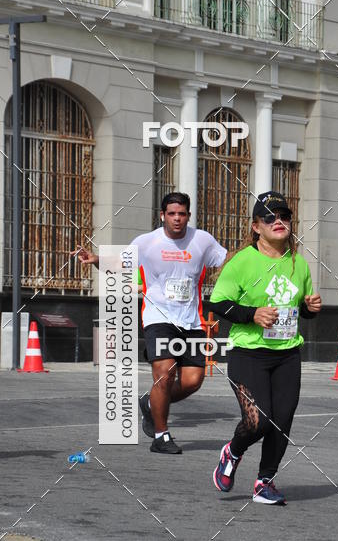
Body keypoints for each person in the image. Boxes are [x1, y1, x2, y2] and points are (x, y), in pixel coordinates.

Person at [73, 192, 227, 453]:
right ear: (162, 215)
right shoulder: (147, 242)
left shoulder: (202, 240)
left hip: (191, 322)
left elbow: (226, 262)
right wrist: (95, 259)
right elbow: (121, 264)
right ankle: (161, 435)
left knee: (192, 382)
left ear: (188, 215)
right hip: (158, 318)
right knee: (165, 375)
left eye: (182, 214)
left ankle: (148, 403)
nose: (177, 219)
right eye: (172, 214)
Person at [209, 192, 321, 505]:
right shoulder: (243, 261)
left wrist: (311, 308)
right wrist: (252, 314)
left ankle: (264, 482)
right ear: (257, 226)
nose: (279, 221)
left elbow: (300, 307)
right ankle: (232, 451)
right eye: (270, 217)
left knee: (282, 419)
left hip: (287, 354)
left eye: (284, 216)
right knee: (259, 419)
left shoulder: (298, 263)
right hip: (249, 353)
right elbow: (217, 302)